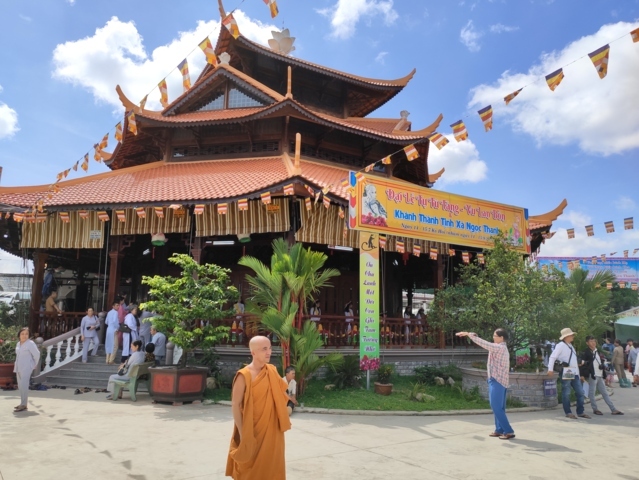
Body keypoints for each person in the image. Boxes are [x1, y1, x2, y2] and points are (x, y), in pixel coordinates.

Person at [226, 336, 291, 479]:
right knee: (249, 467)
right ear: (253, 352)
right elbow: (236, 405)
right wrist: (243, 433)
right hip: (252, 428)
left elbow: (280, 395)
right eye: (264, 349)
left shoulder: (272, 371)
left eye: (269, 348)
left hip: (273, 430)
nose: (269, 352)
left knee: (272, 465)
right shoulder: (244, 375)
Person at [456, 329, 515, 440]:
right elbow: (486, 343)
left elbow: (484, 344)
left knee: (496, 406)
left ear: (501, 338)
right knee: (499, 407)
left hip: (497, 381)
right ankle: (499, 429)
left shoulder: (499, 348)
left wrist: (470, 335)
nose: (493, 337)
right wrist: (471, 334)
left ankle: (508, 431)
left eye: (495, 336)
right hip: (498, 380)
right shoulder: (499, 347)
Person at [548, 328, 588, 419]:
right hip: (567, 371)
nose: (573, 336)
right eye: (571, 335)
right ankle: (568, 412)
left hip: (574, 371)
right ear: (566, 336)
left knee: (580, 392)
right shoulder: (561, 345)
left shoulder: (570, 346)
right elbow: (552, 357)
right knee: (567, 392)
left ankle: (580, 411)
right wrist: (550, 369)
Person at [580, 336, 623, 416]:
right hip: (593, 374)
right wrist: (582, 375)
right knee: (592, 393)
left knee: (604, 392)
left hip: (599, 374)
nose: (593, 343)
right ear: (587, 343)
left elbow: (600, 363)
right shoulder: (585, 352)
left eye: (594, 341)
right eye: (591, 341)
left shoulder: (597, 351)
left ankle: (613, 409)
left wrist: (608, 372)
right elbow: (582, 364)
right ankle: (595, 409)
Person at [13, 328, 40, 413]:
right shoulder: (18, 343)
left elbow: (37, 354)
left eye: (26, 334)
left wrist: (33, 364)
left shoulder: (30, 344)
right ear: (19, 335)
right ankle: (23, 403)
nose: (24, 336)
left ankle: (23, 404)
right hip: (18, 367)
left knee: (24, 385)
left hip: (27, 367)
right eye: (22, 334)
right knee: (20, 385)